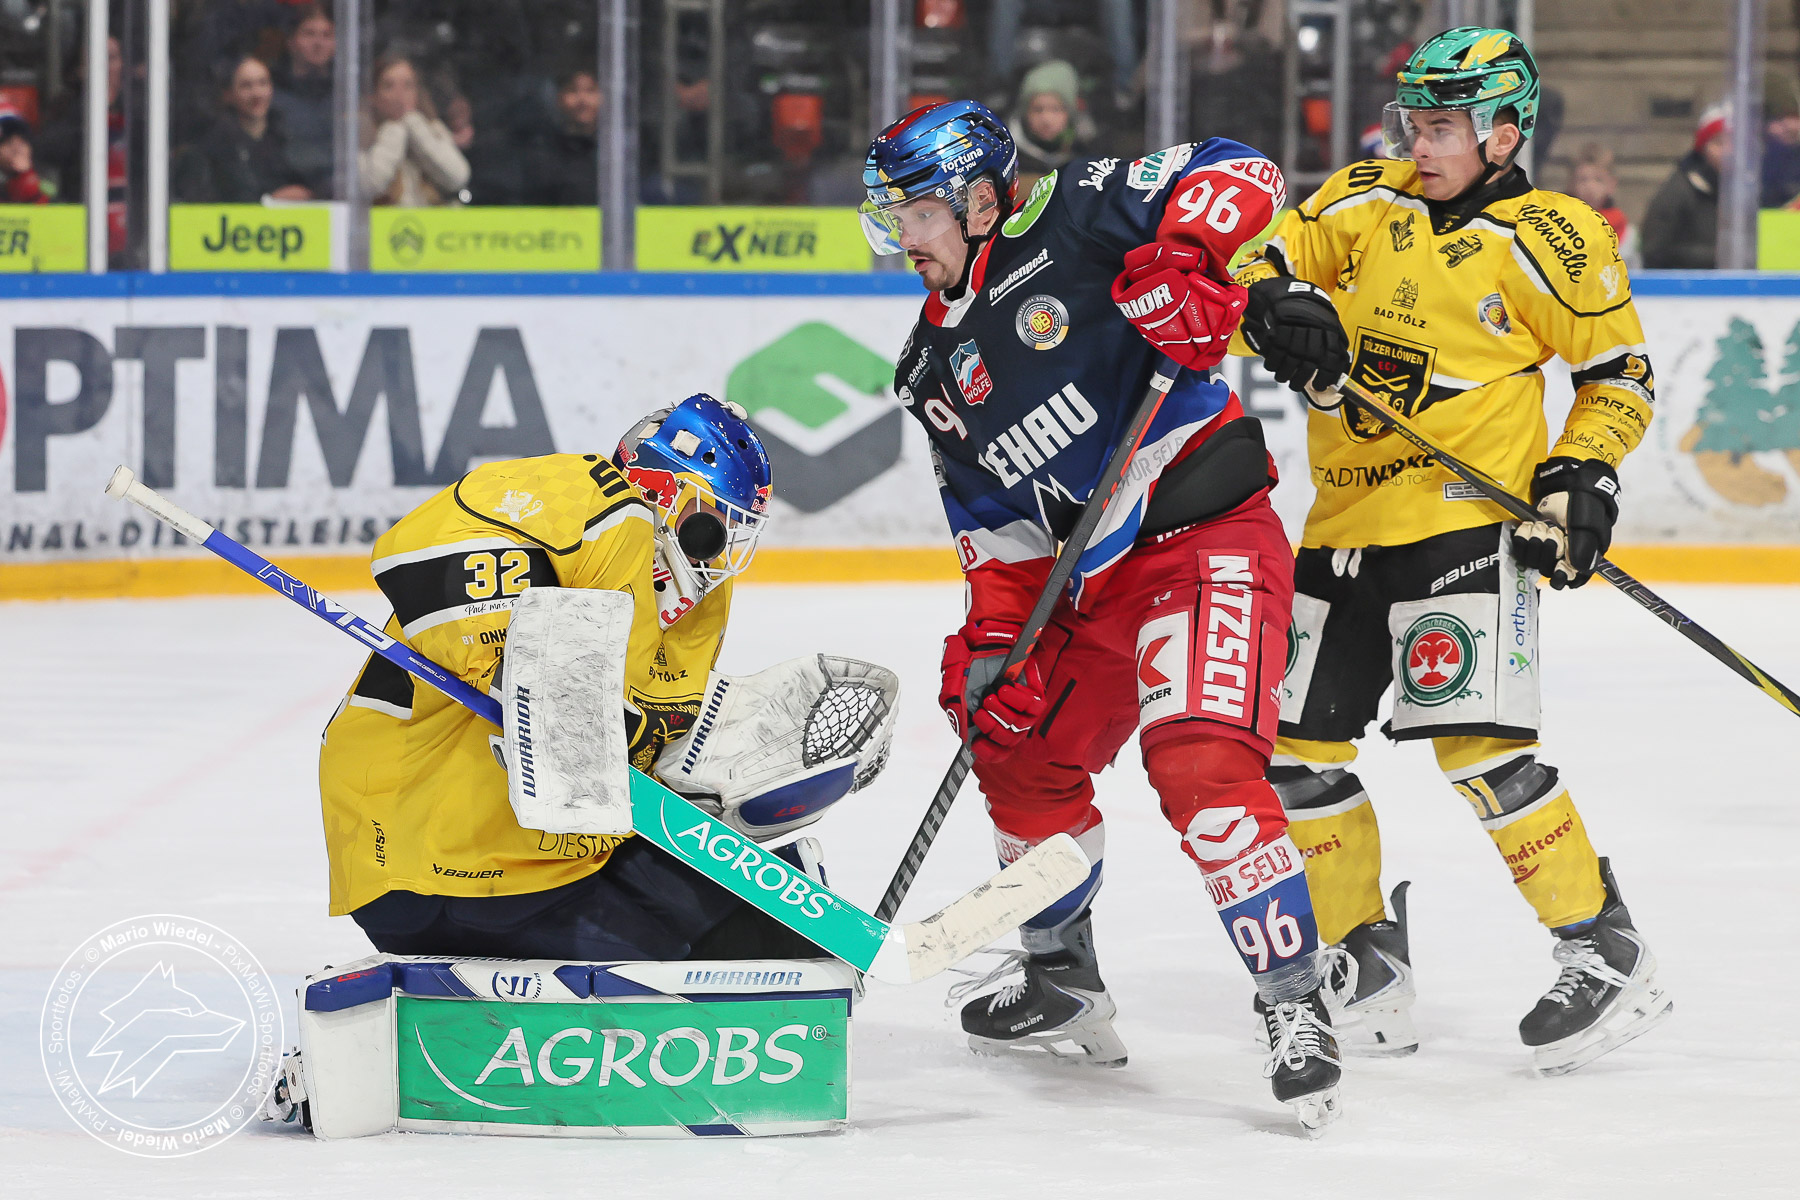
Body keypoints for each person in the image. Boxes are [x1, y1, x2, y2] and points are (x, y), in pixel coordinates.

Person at [862, 101, 1343, 1132]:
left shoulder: (1079, 209)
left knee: (1200, 766)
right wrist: (998, 641)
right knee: (1012, 744)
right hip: (1089, 586)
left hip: (1207, 539)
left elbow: (1242, 168)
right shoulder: (930, 366)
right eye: (894, 218)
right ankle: (1061, 977)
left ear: (979, 200)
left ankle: (1296, 1001)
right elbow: (992, 522)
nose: (903, 239)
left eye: (918, 214)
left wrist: (1187, 252)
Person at [1230, 26, 1671, 1077]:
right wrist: (1269, 301)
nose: (1418, 145)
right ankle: (1365, 960)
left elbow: (1619, 374)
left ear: (1504, 133)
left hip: (1467, 524)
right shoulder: (1362, 200)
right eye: (1413, 124)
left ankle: (1601, 946)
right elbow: (1251, 263)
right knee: (1292, 753)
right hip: (1342, 528)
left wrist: (1581, 477)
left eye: (1442, 129)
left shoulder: (1551, 235)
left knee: (1478, 750)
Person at [316, 394, 859, 963]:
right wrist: (520, 663)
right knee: (677, 973)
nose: (722, 544)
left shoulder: (699, 603)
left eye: (737, 526)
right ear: (662, 489)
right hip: (426, 856)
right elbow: (415, 550)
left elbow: (650, 744)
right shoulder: (589, 503)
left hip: (557, 857)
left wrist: (748, 780)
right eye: (713, 518)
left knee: (774, 933)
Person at [173, 55, 310, 203]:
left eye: (263, 83)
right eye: (246, 86)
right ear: (228, 94)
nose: (257, 94)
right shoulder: (214, 145)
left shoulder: (287, 135)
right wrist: (268, 200)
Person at [359, 53, 470, 206]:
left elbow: (457, 178)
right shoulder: (362, 132)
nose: (399, 94)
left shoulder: (432, 127)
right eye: (389, 86)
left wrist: (415, 125)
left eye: (408, 85)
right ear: (374, 96)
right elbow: (368, 185)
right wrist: (395, 130)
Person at [1641, 103, 1724, 269]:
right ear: (1703, 147)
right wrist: (1715, 256)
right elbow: (1654, 250)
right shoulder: (1678, 190)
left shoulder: (1746, 192)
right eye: (1719, 142)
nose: (1728, 150)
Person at [271, 4, 336, 197]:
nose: (318, 43)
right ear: (291, 42)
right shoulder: (271, 93)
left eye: (327, 35)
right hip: (288, 194)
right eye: (309, 34)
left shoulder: (347, 94)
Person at [1006, 59, 1092, 194]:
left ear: (1070, 113)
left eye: (1056, 109)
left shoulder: (1087, 157)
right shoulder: (1008, 162)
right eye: (1037, 109)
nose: (1046, 120)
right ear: (1025, 113)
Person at [520, 66, 600, 206]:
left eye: (590, 91)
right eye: (573, 91)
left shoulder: (622, 150)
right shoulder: (541, 153)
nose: (582, 100)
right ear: (559, 98)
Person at [1569, 142, 1631, 258]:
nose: (1590, 187)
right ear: (1572, 184)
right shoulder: (1562, 219)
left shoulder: (1620, 224)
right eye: (1583, 180)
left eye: (1598, 180)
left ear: (1611, 185)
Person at [0, 105, 51, 204]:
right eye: (6, 140)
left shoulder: (46, 177)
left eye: (22, 139)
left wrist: (26, 178)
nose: (16, 147)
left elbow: (53, 203)